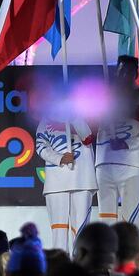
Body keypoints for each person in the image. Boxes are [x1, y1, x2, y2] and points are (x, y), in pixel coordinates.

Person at [35, 85, 97, 252]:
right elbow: (40, 146)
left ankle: (80, 266)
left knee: (81, 230)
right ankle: (60, 267)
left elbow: (88, 138)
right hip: (56, 181)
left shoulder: (85, 114)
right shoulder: (46, 120)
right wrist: (59, 158)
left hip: (82, 179)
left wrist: (75, 116)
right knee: (59, 230)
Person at [95, 67, 139, 227]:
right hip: (104, 165)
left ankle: (131, 251)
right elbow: (89, 130)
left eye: (127, 71)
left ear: (135, 75)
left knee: (131, 221)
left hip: (130, 167)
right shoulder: (104, 100)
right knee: (106, 220)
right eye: (121, 71)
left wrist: (129, 144)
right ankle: (107, 252)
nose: (124, 76)